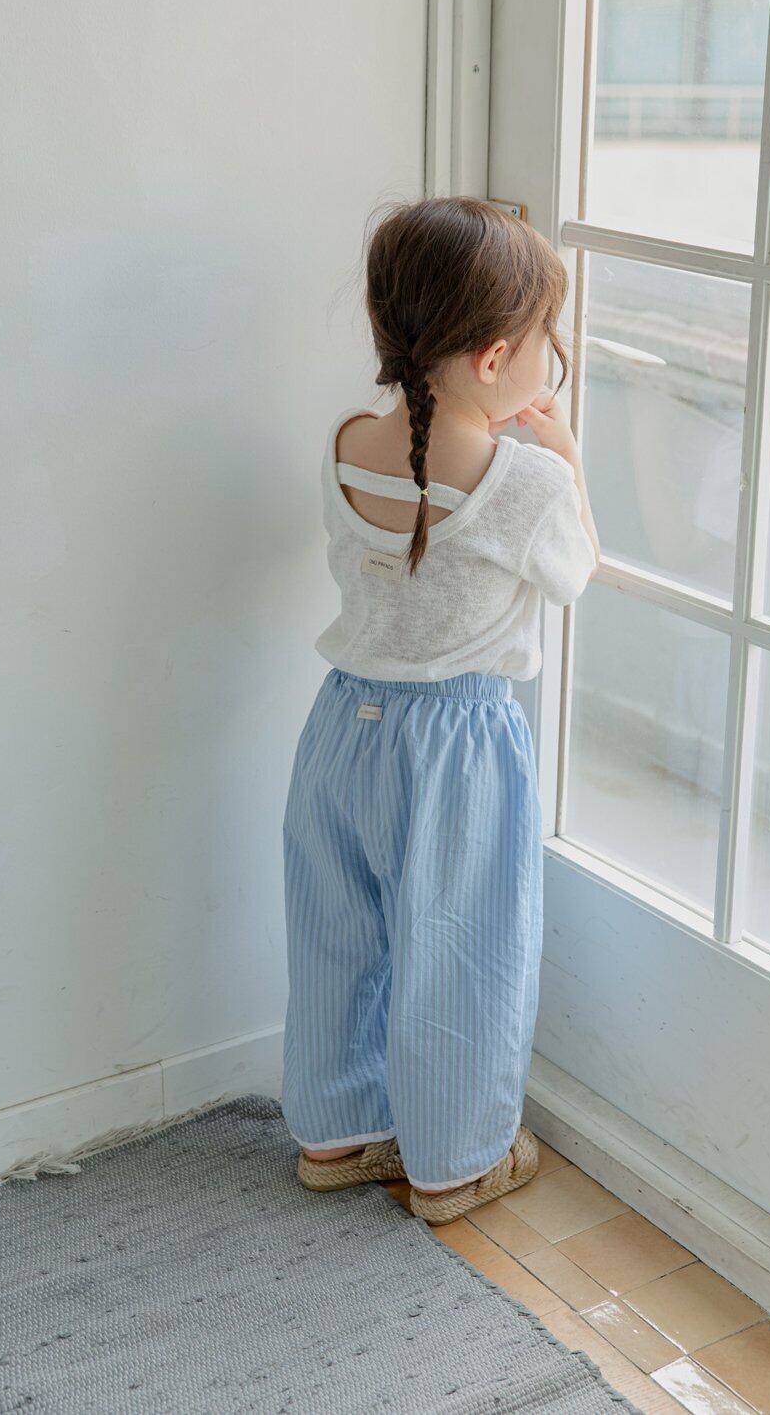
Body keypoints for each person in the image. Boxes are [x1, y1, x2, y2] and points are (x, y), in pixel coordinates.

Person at [282, 197, 599, 1224]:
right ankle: (455, 1164)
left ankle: (335, 1135)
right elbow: (576, 572)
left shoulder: (344, 443)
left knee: (336, 934)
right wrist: (566, 456)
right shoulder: (527, 482)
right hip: (457, 744)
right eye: (549, 342)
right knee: (461, 948)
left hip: (340, 732)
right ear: (497, 357)